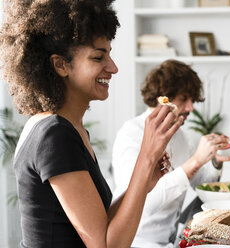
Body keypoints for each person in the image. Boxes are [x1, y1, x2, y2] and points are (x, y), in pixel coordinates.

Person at [0, 1, 183, 247]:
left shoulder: (66, 128)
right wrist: (146, 157)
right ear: (60, 65)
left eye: (109, 54)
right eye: (98, 57)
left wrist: (143, 184)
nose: (113, 67)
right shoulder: (54, 134)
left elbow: (102, 224)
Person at [112, 59, 230, 248]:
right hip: (135, 241)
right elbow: (144, 204)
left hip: (170, 240)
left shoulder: (180, 135)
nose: (191, 108)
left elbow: (200, 183)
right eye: (184, 99)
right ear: (162, 98)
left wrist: (215, 160)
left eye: (192, 100)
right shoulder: (131, 133)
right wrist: (196, 160)